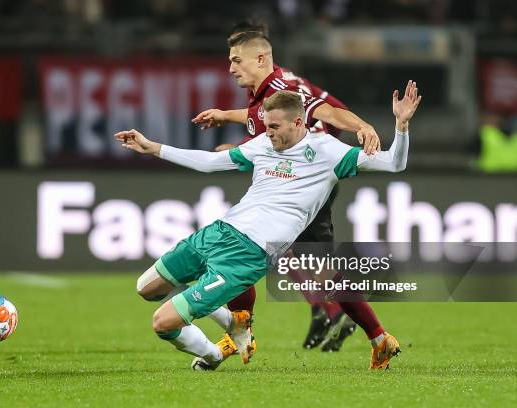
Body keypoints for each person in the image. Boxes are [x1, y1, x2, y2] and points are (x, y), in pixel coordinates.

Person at [117, 81, 422, 370]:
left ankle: (213, 353)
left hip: (248, 255)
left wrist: (402, 125)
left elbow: (394, 163)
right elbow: (209, 163)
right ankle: (235, 324)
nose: (268, 134)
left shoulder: (330, 152)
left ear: (299, 123)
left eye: (275, 127)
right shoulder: (263, 143)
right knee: (147, 288)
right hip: (219, 231)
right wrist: (153, 147)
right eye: (267, 126)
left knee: (163, 322)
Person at [192, 27, 383, 354]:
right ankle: (345, 319)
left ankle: (337, 316)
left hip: (304, 181)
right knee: (289, 255)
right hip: (297, 180)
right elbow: (271, 118)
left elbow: (328, 112)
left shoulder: (283, 89)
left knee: (262, 250)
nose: (230, 68)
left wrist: (362, 126)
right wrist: (228, 120)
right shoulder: (273, 88)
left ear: (260, 57)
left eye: (236, 60)